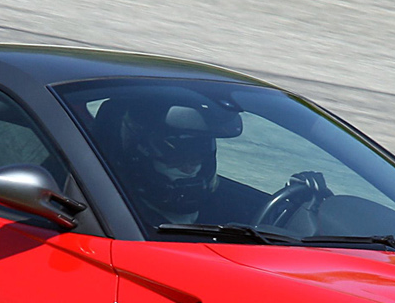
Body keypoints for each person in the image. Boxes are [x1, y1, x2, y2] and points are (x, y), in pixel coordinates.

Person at [95, 86, 267, 228]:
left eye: (197, 156)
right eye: (175, 158)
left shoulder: (226, 210)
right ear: (140, 156)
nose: (189, 168)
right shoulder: (109, 213)